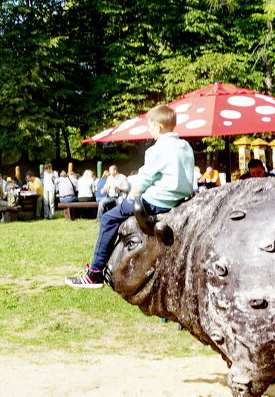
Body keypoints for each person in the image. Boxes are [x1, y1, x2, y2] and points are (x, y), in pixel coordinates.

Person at [67, 105, 195, 289]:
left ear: (158, 127)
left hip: (156, 201)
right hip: (179, 200)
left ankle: (94, 273)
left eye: (150, 126)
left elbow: (144, 179)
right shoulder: (185, 147)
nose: (149, 130)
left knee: (109, 218)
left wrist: (132, 195)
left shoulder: (158, 149)